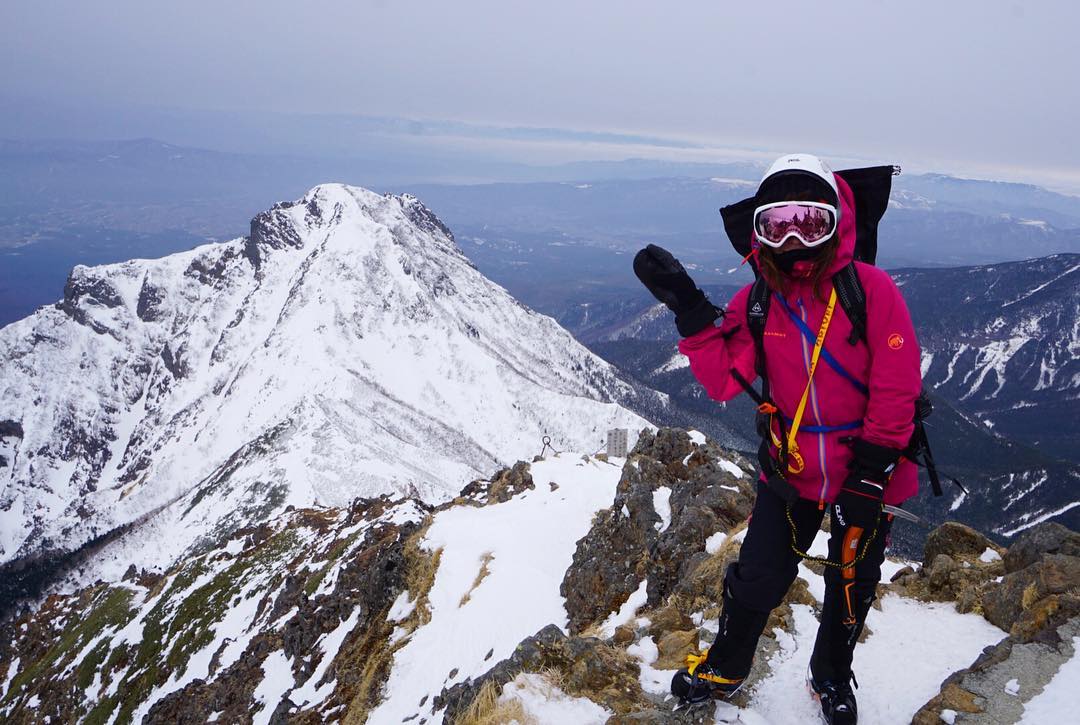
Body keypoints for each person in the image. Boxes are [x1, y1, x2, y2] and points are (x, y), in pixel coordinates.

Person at [633, 154, 922, 725]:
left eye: (811, 223)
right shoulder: (759, 302)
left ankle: (831, 677)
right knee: (756, 577)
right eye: (777, 226)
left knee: (850, 582)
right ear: (758, 233)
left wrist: (869, 473)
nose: (794, 241)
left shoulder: (871, 290)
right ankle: (728, 666)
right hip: (788, 473)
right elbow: (722, 381)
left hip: (865, 471)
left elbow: (898, 387)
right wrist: (691, 311)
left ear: (837, 223)